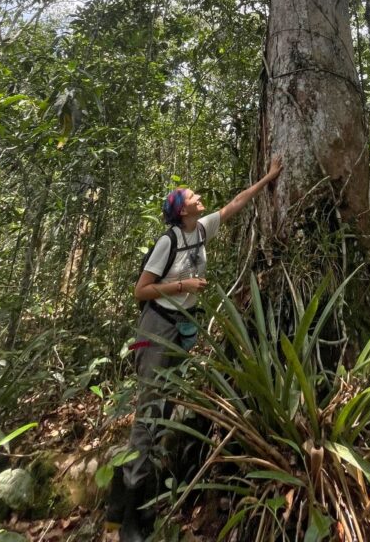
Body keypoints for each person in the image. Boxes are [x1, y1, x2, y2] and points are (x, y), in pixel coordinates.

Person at [108, 157, 283, 542]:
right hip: (155, 327)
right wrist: (182, 286)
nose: (198, 196)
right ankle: (130, 517)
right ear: (180, 209)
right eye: (192, 195)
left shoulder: (200, 230)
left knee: (166, 410)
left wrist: (269, 177)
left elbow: (236, 204)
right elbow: (140, 290)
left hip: (182, 330)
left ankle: (127, 500)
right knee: (150, 410)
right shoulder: (167, 241)